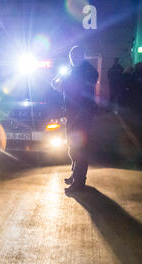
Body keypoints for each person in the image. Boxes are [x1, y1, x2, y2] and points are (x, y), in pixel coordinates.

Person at [52, 46, 98, 193]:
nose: (74, 58)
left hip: (83, 115)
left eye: (77, 56)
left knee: (80, 149)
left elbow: (79, 86)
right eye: (72, 56)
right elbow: (62, 86)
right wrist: (57, 84)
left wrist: (63, 84)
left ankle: (79, 182)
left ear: (83, 56)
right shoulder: (71, 69)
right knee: (72, 147)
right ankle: (74, 174)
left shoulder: (88, 71)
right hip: (72, 114)